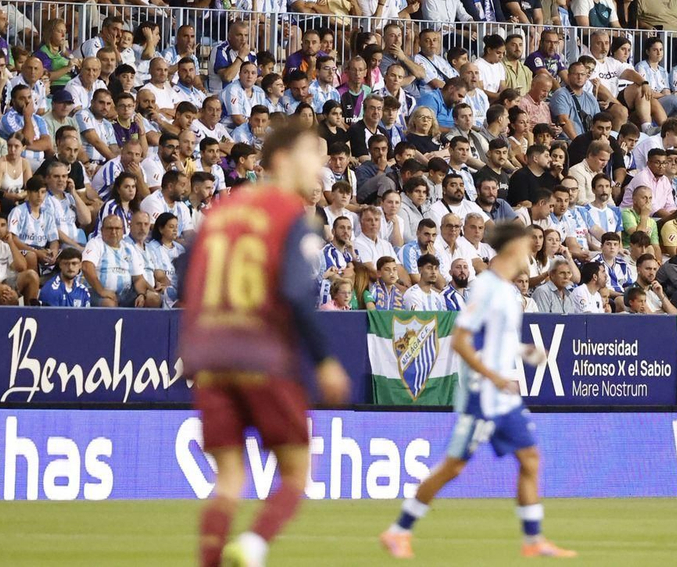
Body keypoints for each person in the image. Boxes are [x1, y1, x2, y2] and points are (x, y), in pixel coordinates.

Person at [182, 120, 352, 567]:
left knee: (229, 480)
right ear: (280, 160)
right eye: (310, 155)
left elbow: (188, 275)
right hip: (263, 354)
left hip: (210, 355)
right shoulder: (289, 214)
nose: (318, 166)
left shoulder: (220, 211)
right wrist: (325, 360)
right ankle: (254, 545)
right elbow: (296, 293)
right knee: (297, 473)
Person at [381, 218, 574, 559]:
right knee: (454, 465)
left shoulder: (507, 289)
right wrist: (493, 375)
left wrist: (525, 352)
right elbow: (460, 340)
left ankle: (533, 540)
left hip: (503, 395)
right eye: (527, 244)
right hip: (483, 394)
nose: (531, 251)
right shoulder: (486, 287)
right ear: (513, 247)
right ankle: (398, 531)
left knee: (530, 458)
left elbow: (497, 341)